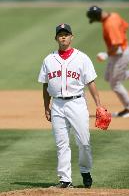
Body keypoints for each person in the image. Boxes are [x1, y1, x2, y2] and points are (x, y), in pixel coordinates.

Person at [38, 23, 104, 188]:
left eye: (66, 34)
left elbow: (91, 82)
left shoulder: (82, 58)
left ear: (71, 37)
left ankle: (85, 170)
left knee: (84, 142)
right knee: (62, 144)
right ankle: (65, 179)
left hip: (77, 103)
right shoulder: (48, 59)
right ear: (56, 38)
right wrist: (46, 107)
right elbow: (45, 86)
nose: (63, 36)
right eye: (60, 34)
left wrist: (99, 105)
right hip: (57, 104)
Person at [86, 6, 129, 117]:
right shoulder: (114, 15)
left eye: (94, 19)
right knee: (109, 77)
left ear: (96, 17)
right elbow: (125, 27)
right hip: (119, 52)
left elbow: (116, 46)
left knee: (115, 84)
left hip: (120, 54)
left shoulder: (110, 24)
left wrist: (106, 54)